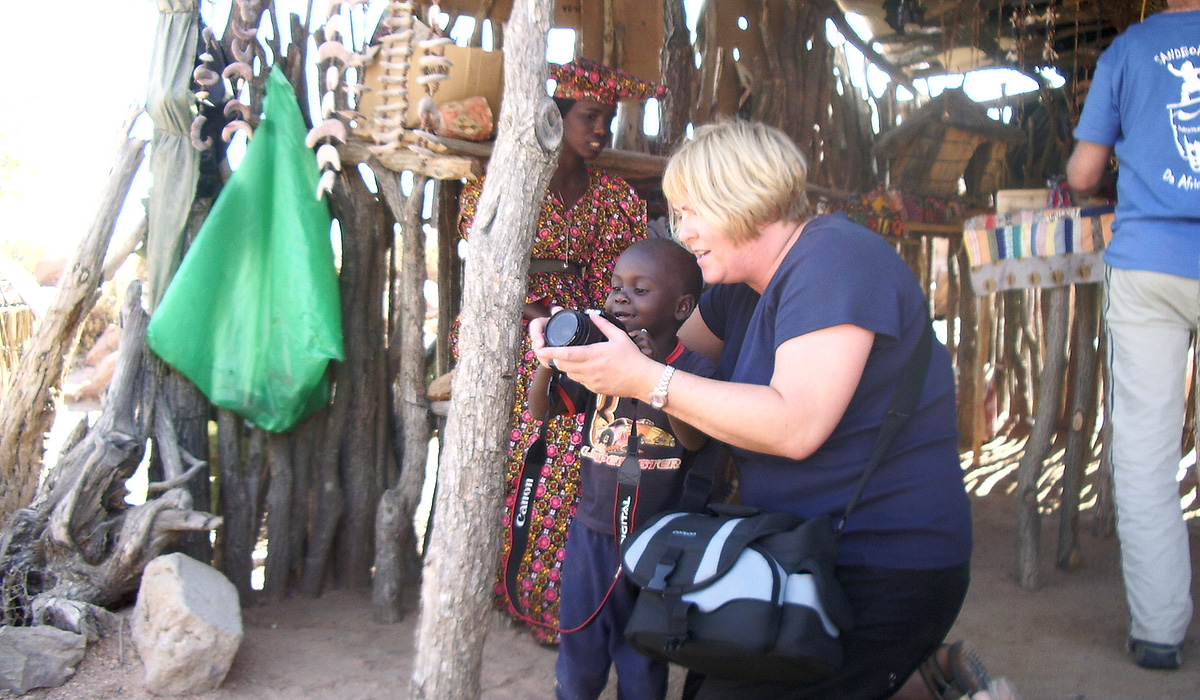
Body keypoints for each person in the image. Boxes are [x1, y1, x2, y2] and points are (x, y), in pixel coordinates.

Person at [533, 119, 1018, 700]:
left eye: (690, 212)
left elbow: (795, 426)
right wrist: (585, 338)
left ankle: (914, 676)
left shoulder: (834, 260)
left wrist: (644, 378)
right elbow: (659, 343)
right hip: (789, 545)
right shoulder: (741, 290)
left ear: (741, 198)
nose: (682, 232)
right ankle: (920, 677)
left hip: (882, 558)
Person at [457, 57, 667, 643]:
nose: (601, 130)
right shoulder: (504, 185)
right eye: (591, 116)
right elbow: (489, 272)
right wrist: (539, 321)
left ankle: (550, 593)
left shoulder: (615, 198)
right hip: (505, 322)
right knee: (553, 407)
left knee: (591, 391)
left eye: (610, 119)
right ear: (555, 116)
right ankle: (514, 587)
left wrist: (587, 326)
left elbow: (617, 287)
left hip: (579, 325)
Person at [1065, 0, 1200, 671]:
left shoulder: (1128, 51)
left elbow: (1084, 175)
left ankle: (1158, 631)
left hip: (1148, 262)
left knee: (1145, 451)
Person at [526, 238, 717, 700]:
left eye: (639, 289)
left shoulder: (696, 372)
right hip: (591, 534)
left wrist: (652, 374)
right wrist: (550, 360)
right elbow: (540, 411)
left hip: (658, 541)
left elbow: (694, 439)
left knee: (643, 662)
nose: (619, 297)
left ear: (681, 307)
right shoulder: (600, 365)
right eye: (615, 287)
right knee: (579, 659)